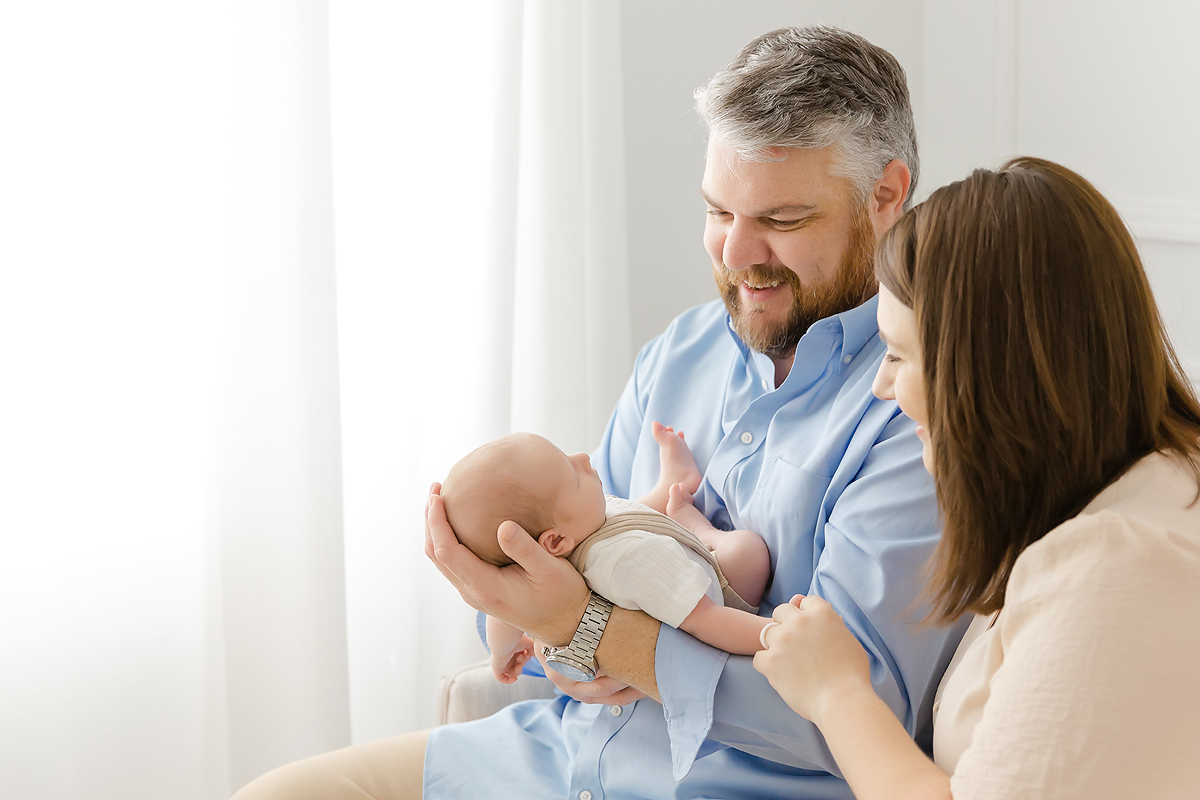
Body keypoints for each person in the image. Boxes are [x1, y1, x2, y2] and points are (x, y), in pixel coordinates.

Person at [232, 25, 969, 800]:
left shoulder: (914, 412)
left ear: (885, 196)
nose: (735, 252)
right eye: (719, 211)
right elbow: (557, 577)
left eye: (782, 222)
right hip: (551, 757)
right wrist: (526, 606)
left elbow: (849, 719)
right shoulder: (681, 353)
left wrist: (593, 632)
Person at [753, 157, 1200, 800]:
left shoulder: (1117, 569)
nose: (882, 386)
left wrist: (836, 692)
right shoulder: (1141, 493)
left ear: (987, 373)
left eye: (900, 355)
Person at [441, 427, 773, 674]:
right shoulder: (621, 562)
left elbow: (502, 617)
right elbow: (705, 619)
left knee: (621, 513)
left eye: (567, 456)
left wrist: (501, 658)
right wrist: (773, 634)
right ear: (554, 543)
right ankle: (701, 529)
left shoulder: (580, 525)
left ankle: (674, 486)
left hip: (677, 565)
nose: (583, 458)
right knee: (749, 553)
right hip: (706, 615)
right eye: (573, 475)